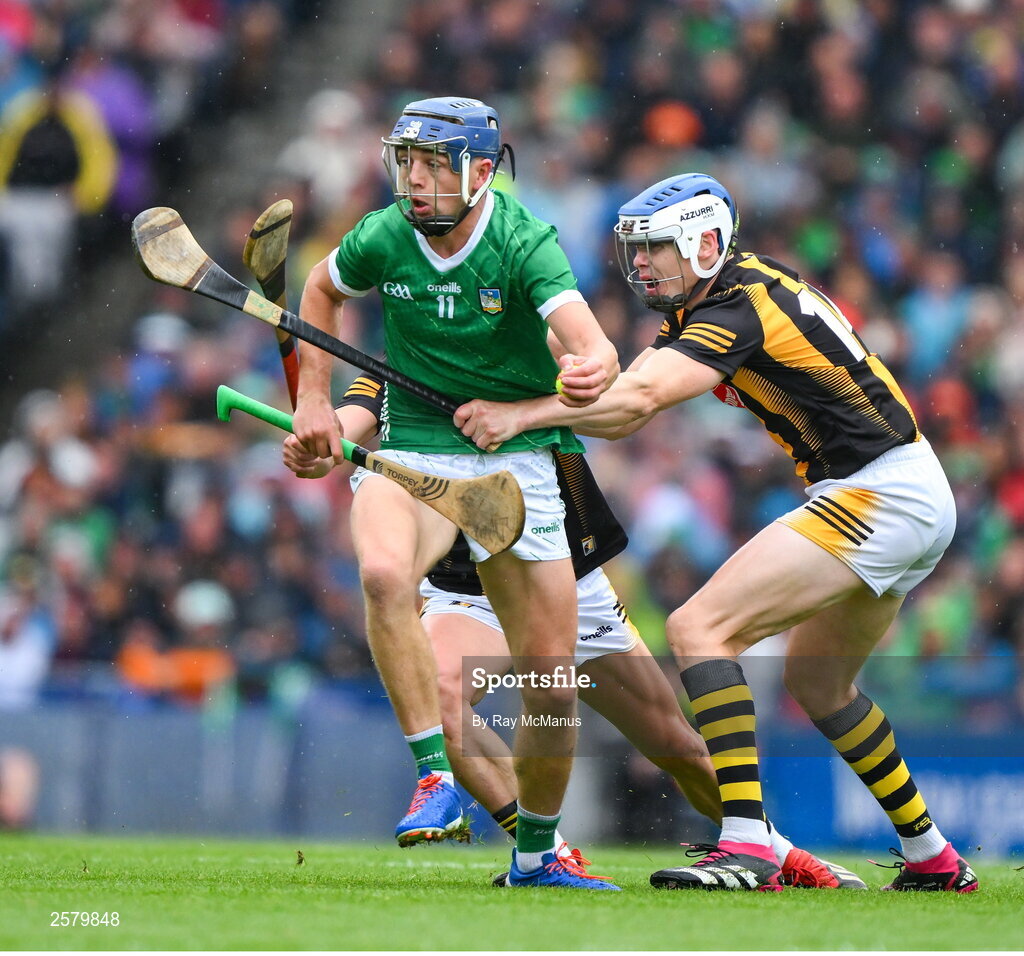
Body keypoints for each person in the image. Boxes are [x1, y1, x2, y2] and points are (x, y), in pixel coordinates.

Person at [455, 172, 977, 894]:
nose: (639, 265)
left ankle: (748, 847)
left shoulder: (736, 307)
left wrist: (519, 417)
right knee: (819, 684)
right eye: (633, 250)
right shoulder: (725, 298)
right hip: (907, 488)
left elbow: (633, 397)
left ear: (705, 245)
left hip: (877, 492)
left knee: (700, 628)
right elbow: (625, 409)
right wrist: (536, 388)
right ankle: (934, 859)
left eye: (656, 249)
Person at [284, 374, 867, 891]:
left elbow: (600, 391)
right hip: (467, 590)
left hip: (561, 576)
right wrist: (318, 436)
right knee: (442, 696)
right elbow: (348, 422)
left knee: (677, 744)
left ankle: (778, 852)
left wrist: (523, 411)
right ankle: (543, 850)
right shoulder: (402, 351)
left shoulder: (523, 322)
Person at [290, 96, 620, 889]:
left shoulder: (523, 241)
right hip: (413, 455)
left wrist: (585, 370)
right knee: (380, 574)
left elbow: (596, 352)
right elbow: (319, 291)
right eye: (408, 162)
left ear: (480, 172)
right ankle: (435, 776)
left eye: (436, 165)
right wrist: (311, 407)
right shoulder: (384, 235)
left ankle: (538, 853)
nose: (417, 181)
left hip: (520, 466)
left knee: (548, 684)